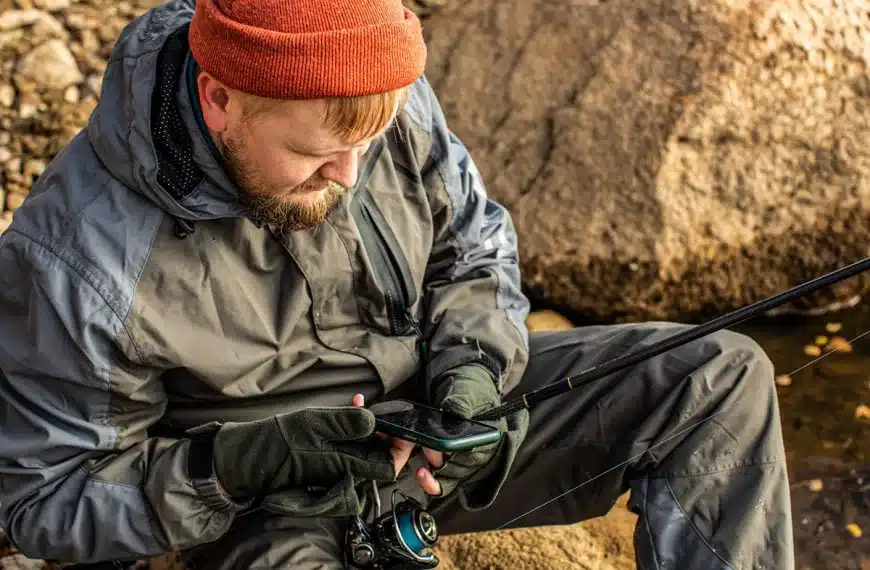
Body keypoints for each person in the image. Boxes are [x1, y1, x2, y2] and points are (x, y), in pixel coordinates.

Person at [0, 0, 794, 568]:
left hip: (435, 436)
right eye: (314, 155)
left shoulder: (374, 95)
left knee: (718, 379)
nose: (349, 177)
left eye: (367, 146)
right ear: (221, 100)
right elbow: (44, 502)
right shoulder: (75, 263)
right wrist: (236, 467)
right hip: (270, 510)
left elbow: (473, 248)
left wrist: (475, 375)